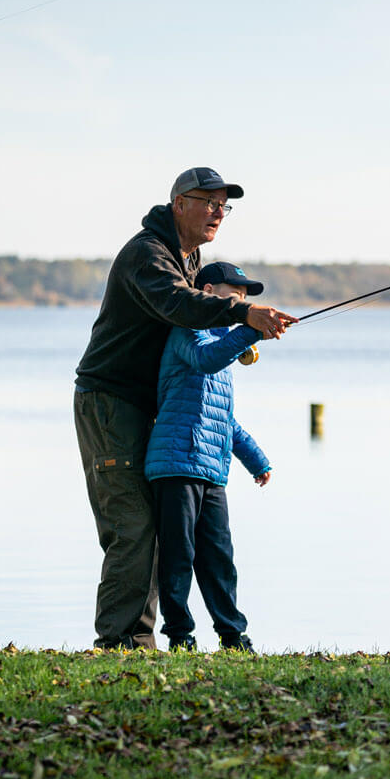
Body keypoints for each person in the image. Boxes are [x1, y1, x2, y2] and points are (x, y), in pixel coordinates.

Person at [73, 167, 297, 650]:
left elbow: (199, 321)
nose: (218, 212)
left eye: (224, 205)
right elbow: (179, 305)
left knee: (156, 530)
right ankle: (116, 645)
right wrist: (243, 316)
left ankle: (140, 643)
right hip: (110, 400)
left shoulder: (189, 258)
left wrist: (238, 335)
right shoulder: (149, 254)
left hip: (150, 404)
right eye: (209, 202)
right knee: (132, 526)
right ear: (179, 203)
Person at [146, 261, 273, 653]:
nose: (240, 300)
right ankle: (180, 636)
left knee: (219, 558)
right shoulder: (186, 331)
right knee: (178, 555)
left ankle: (233, 636)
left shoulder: (225, 349)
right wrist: (250, 329)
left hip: (212, 470)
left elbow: (224, 419)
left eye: (245, 296)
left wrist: (257, 460)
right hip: (175, 463)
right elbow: (206, 359)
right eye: (233, 292)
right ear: (206, 290)